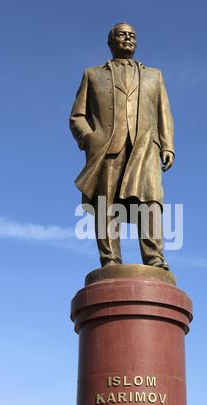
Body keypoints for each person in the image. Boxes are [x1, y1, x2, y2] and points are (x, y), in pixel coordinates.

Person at [70, 22, 175, 269]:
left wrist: (168, 145)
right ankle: (110, 260)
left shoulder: (154, 75)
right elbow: (77, 116)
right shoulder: (93, 74)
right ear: (110, 42)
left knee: (149, 203)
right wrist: (89, 138)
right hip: (106, 148)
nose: (127, 39)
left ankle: (155, 259)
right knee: (106, 204)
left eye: (132, 35)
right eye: (121, 35)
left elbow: (164, 114)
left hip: (145, 148)